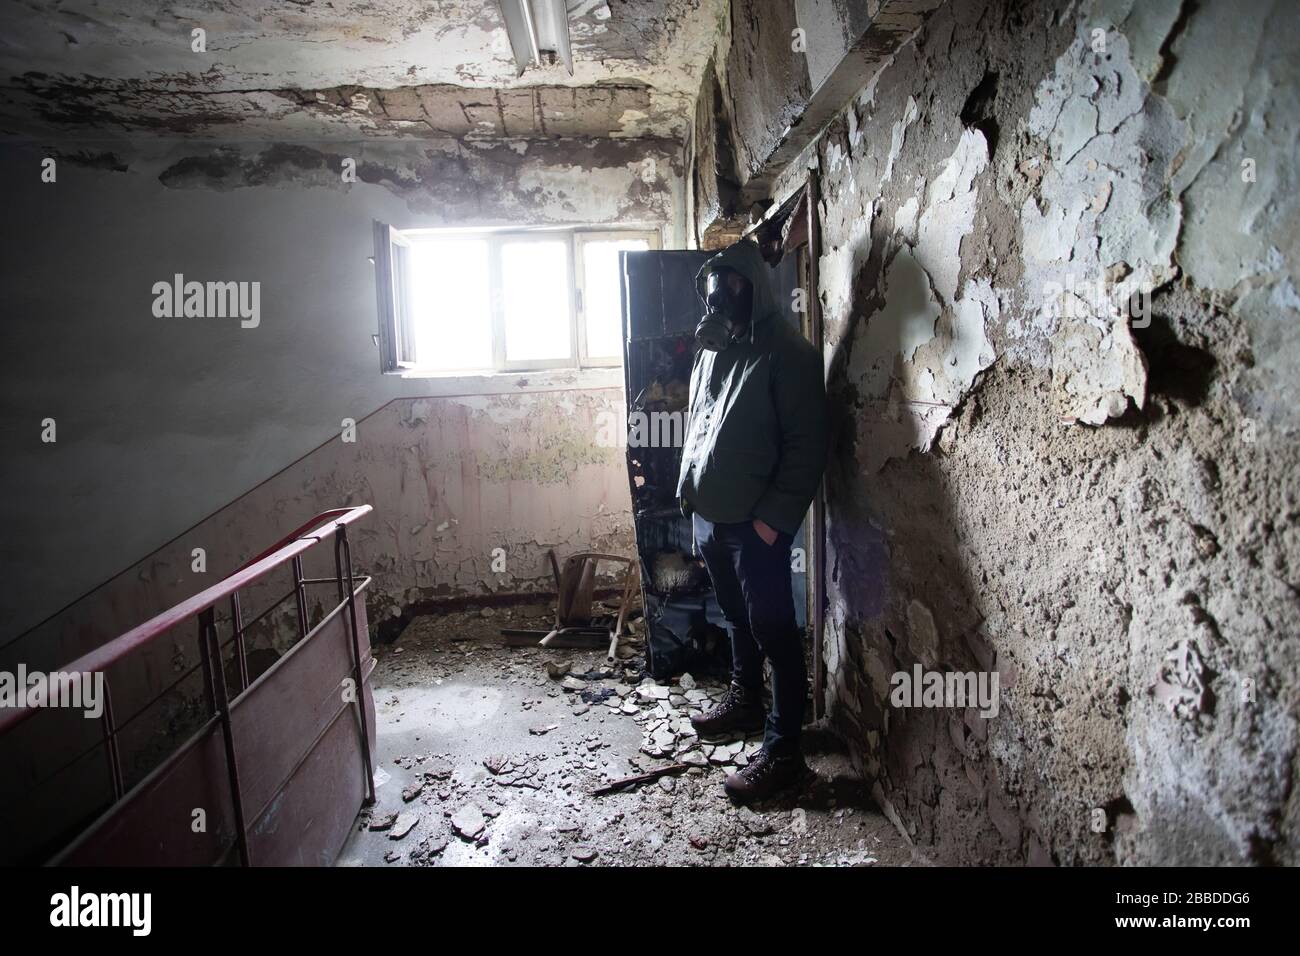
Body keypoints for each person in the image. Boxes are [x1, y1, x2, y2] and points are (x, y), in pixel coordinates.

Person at [677, 238, 828, 803]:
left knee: (775, 632)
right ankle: (745, 701)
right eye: (714, 287)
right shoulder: (712, 351)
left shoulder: (790, 354)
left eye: (732, 284)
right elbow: (699, 427)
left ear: (754, 288)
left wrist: (771, 523)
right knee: (736, 616)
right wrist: (690, 498)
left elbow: (807, 446)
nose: (720, 296)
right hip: (712, 518)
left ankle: (785, 752)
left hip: (756, 525)